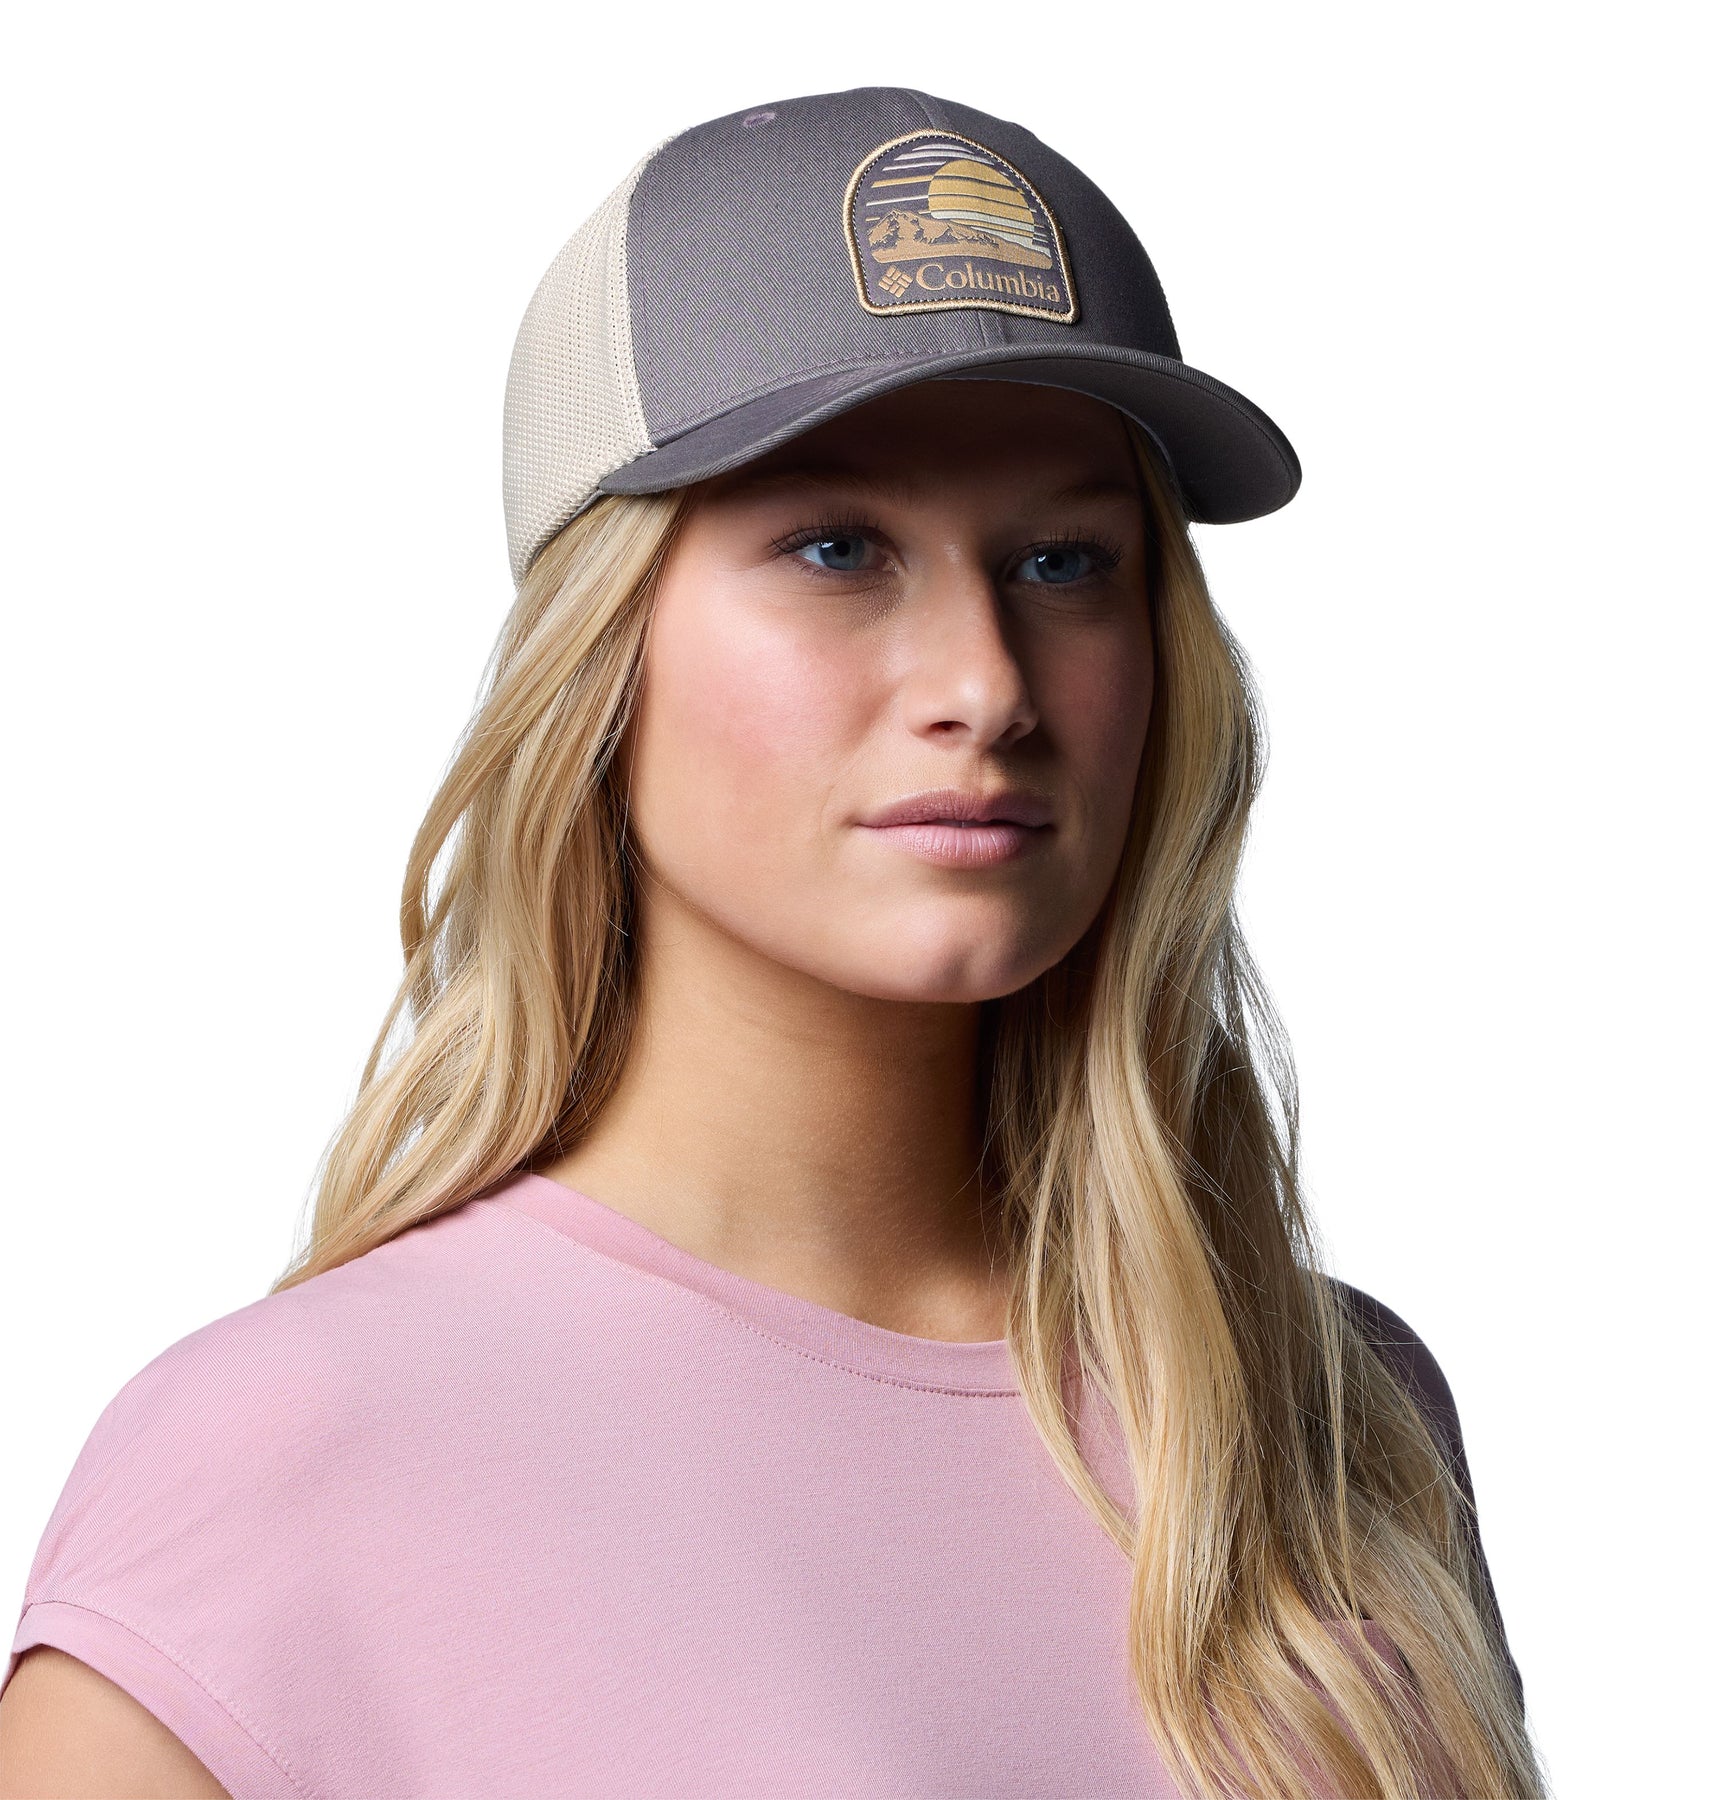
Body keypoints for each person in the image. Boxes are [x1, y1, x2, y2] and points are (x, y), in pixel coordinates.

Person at [0, 88, 1546, 1800]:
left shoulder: (1332, 1411)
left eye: (1061, 561)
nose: (984, 684)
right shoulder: (283, 1460)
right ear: (600, 651)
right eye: (835, 548)